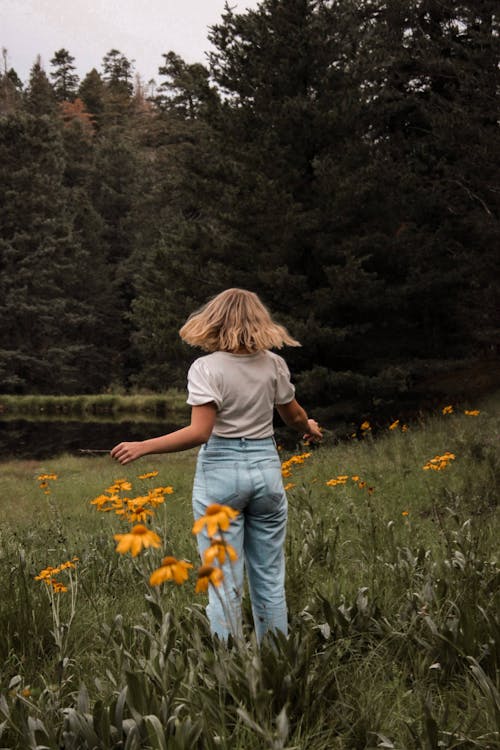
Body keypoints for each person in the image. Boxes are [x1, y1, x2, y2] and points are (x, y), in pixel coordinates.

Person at [111, 288, 322, 643]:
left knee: (223, 578)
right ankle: (276, 664)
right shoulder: (274, 364)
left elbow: (200, 432)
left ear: (213, 321)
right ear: (260, 321)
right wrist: (309, 428)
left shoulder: (206, 368)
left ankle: (229, 668)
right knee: (269, 575)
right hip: (266, 470)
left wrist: (143, 446)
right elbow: (294, 415)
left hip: (222, 473)